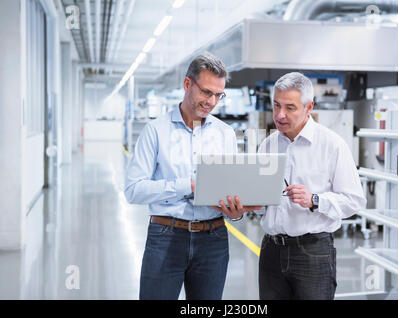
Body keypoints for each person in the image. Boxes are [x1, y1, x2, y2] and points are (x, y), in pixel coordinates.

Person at [124, 52, 260, 300]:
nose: (212, 101)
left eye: (219, 95)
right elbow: (134, 190)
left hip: (214, 239)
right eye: (207, 92)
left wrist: (236, 211)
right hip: (166, 237)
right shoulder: (155, 131)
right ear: (188, 84)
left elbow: (231, 188)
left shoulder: (225, 134)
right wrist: (188, 186)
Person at [256, 72, 367, 300]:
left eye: (290, 107)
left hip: (312, 252)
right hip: (271, 250)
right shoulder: (268, 145)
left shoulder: (332, 145)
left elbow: (355, 200)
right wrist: (249, 204)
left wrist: (315, 200)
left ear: (309, 107)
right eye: (276, 105)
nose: (280, 115)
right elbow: (262, 204)